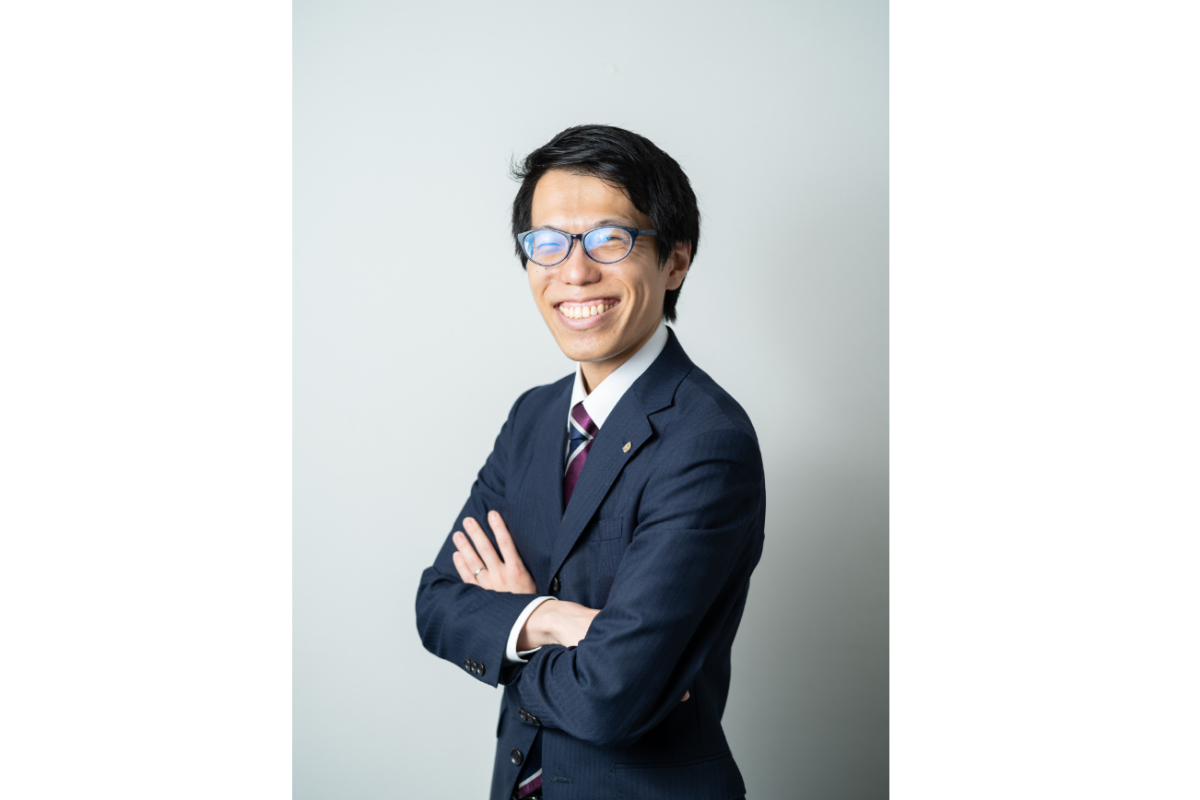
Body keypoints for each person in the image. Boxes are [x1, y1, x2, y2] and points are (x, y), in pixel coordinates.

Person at [415, 124, 765, 800]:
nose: (574, 272)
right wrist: (552, 618)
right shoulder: (534, 416)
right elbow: (437, 604)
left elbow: (610, 697)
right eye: (548, 243)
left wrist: (511, 622)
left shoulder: (707, 440)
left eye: (609, 239)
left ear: (675, 261)